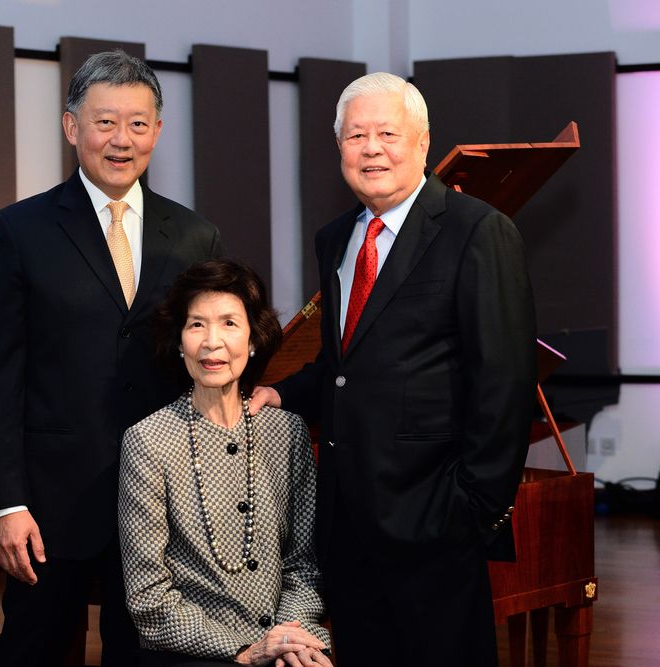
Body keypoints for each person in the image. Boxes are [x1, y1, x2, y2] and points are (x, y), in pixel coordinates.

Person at [251, 72, 537, 666]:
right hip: (348, 527)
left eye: (387, 133)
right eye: (356, 136)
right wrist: (281, 394)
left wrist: (472, 512)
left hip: (437, 527)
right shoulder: (335, 239)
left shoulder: (478, 232)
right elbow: (345, 365)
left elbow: (504, 384)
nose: (371, 149)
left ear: (423, 142)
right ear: (339, 148)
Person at [0, 50, 222, 666]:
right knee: (34, 651)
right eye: (105, 122)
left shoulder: (196, 236)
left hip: (163, 503)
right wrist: (7, 503)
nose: (121, 140)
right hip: (51, 505)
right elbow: (0, 377)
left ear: (157, 131)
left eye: (137, 124)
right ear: (71, 127)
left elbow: (208, 366)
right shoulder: (22, 230)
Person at [119, 258, 333, 667]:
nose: (211, 342)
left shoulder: (288, 431)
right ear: (179, 341)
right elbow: (148, 596)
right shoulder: (148, 440)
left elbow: (305, 566)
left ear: (253, 339)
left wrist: (286, 636)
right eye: (196, 324)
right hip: (194, 650)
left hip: (286, 637)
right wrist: (242, 651)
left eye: (229, 323)